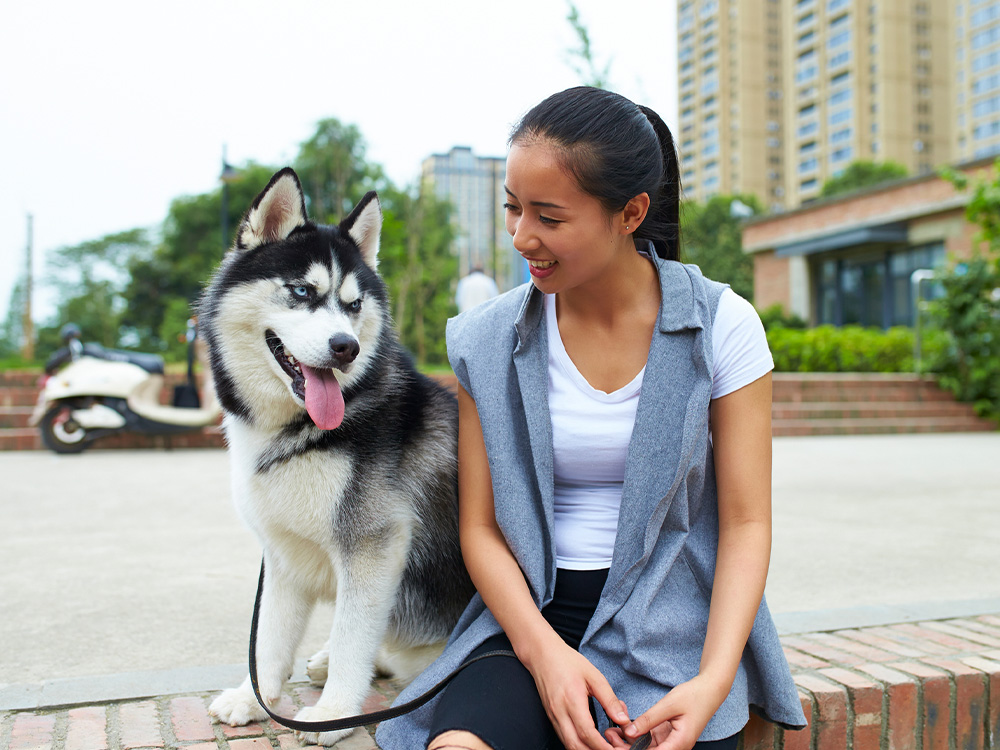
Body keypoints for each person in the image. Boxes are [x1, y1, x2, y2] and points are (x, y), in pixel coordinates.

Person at [376, 87, 806, 750]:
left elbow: (747, 522)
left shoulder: (723, 326)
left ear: (630, 213)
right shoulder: (485, 341)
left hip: (673, 628)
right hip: (527, 623)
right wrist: (545, 658)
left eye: (548, 216)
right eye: (513, 209)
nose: (522, 237)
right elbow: (481, 529)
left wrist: (714, 680)